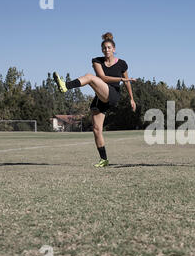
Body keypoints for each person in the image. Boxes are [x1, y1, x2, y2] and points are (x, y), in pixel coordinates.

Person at [53, 32, 136, 167]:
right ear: (102, 50)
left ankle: (65, 86)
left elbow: (127, 82)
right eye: (104, 48)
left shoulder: (122, 64)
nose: (106, 50)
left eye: (109, 48)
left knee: (89, 77)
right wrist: (121, 79)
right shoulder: (97, 61)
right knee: (97, 129)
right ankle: (104, 159)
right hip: (101, 97)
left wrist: (132, 99)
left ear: (114, 49)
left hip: (113, 95)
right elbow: (102, 78)